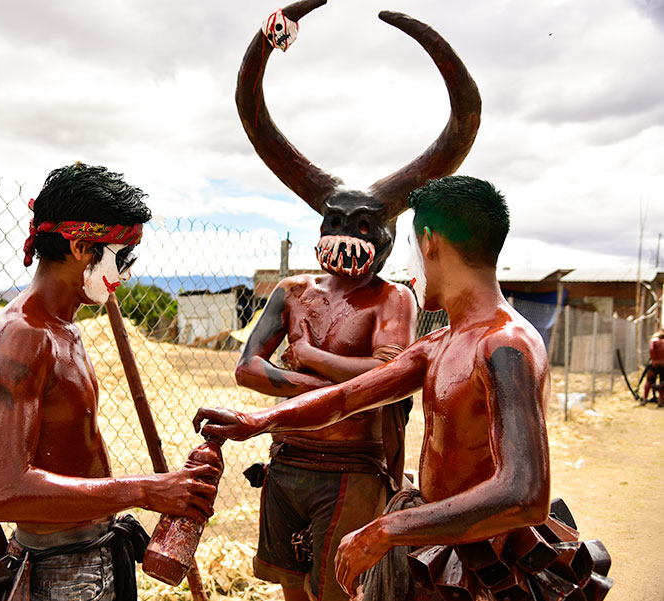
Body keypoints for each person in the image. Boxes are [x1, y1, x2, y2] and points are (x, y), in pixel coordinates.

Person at [195, 176, 555, 598]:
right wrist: (255, 421)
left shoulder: (506, 344)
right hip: (437, 540)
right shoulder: (438, 343)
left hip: (487, 559)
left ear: (430, 243)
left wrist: (386, 528)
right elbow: (348, 397)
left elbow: (525, 492)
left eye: (409, 248)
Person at [0, 163, 218, 601]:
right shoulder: (23, 337)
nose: (125, 274)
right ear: (82, 246)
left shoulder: (64, 327)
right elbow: (4, 492)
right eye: (122, 257)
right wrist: (146, 489)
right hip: (58, 568)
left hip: (93, 549)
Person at [234, 208, 416, 601]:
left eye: (363, 226)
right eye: (335, 223)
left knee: (339, 588)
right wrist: (330, 385)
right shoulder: (293, 291)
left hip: (352, 468)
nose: (346, 234)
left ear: (383, 236)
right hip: (286, 460)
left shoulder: (393, 297)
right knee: (292, 584)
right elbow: (247, 368)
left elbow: (389, 372)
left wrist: (309, 354)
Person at [643, 330, 664, 406]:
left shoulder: (654, 340)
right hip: (663, 364)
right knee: (662, 382)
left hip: (654, 364)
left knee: (649, 380)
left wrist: (654, 359)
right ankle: (660, 401)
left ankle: (645, 398)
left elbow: (651, 349)